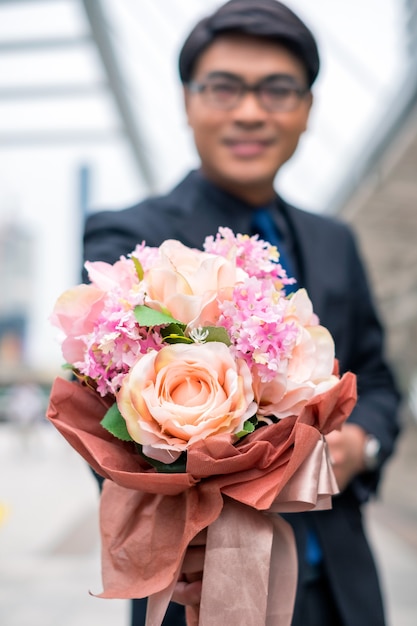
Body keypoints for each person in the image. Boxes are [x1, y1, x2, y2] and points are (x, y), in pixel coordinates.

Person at [82, 1, 401, 625]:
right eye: (225, 87)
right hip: (203, 587)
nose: (251, 111)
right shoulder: (131, 237)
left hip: (339, 588)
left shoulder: (335, 242)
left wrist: (362, 443)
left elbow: (380, 380)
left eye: (278, 90)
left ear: (307, 109)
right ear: (187, 100)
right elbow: (100, 416)